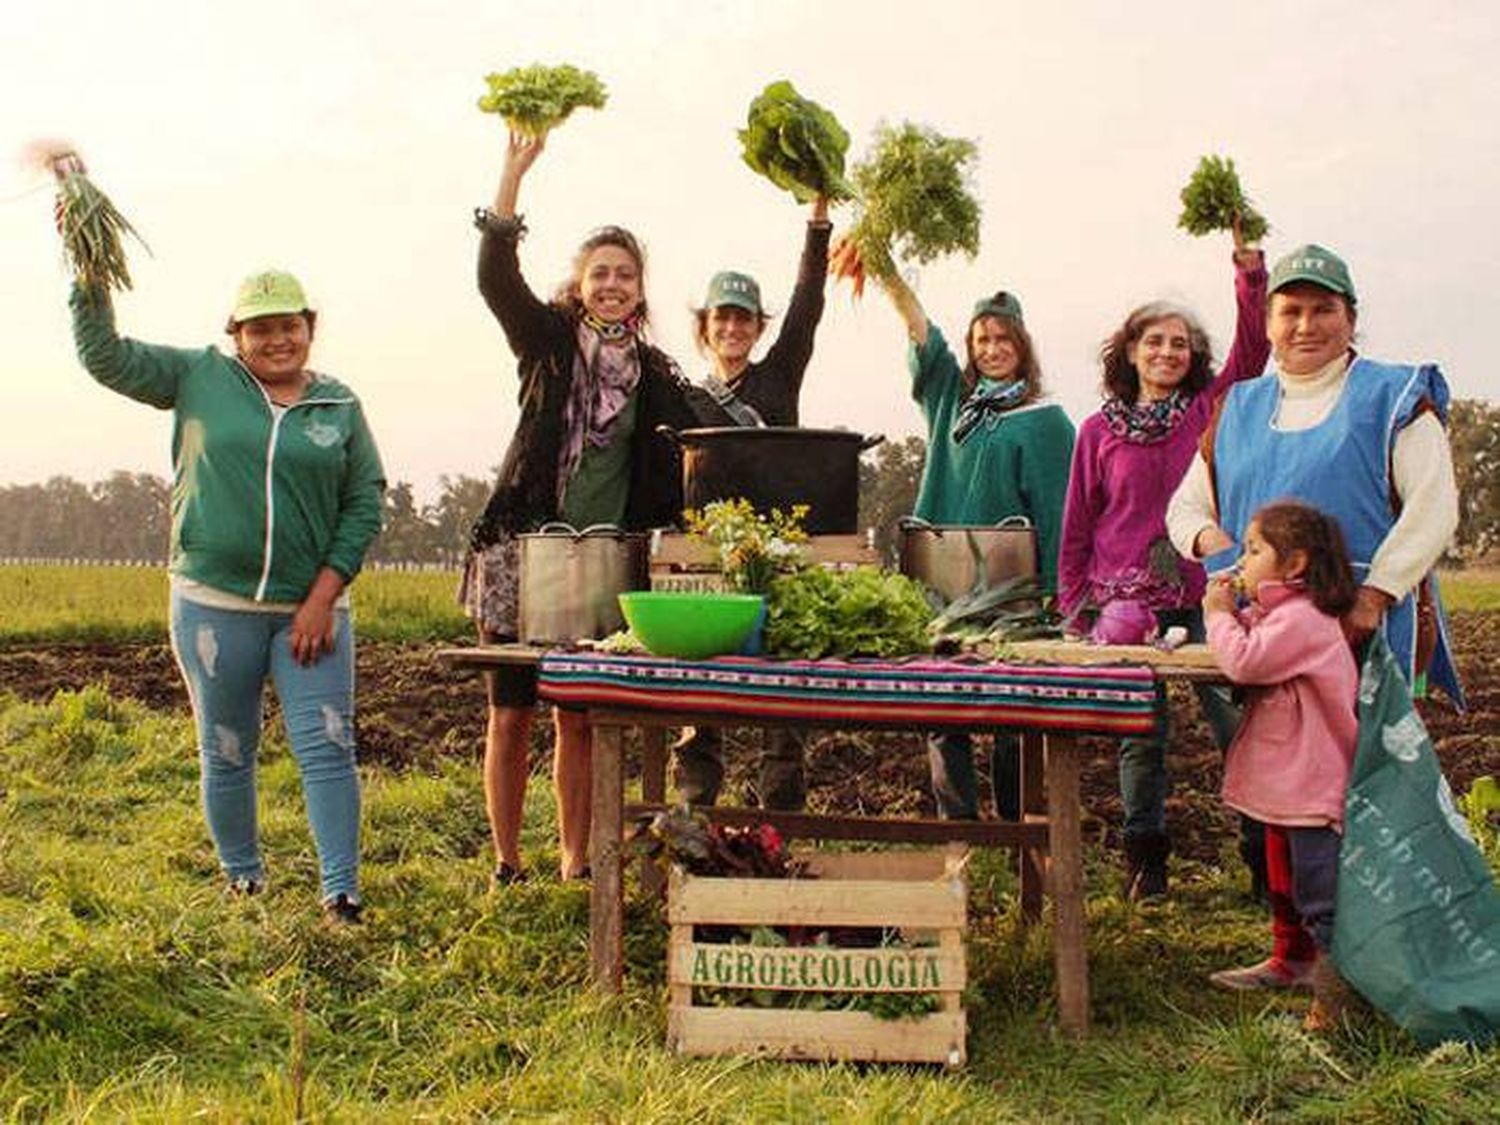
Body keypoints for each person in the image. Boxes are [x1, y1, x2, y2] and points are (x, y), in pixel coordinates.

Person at [54, 155, 384, 923]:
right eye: (260, 327)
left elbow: (363, 504)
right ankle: (243, 876)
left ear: (311, 327)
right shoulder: (198, 376)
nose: (277, 339)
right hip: (212, 606)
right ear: (235, 334)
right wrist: (87, 268)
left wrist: (320, 598)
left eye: (289, 324)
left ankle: (342, 890)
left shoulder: (338, 404)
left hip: (312, 615)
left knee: (327, 745)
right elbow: (104, 355)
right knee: (228, 747)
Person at [462, 130, 697, 883]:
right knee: (511, 710)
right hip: (518, 552)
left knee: (577, 715)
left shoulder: (655, 372)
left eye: (625, 275)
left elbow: (704, 432)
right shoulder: (547, 342)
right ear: (580, 281)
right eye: (600, 273)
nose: (612, 284)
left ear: (640, 287)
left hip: (597, 559)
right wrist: (511, 178)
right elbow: (497, 278)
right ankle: (506, 859)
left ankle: (573, 856)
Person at [1058, 241, 1269, 898]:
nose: (1168, 353)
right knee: (1141, 741)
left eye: (1180, 343)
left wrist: (1249, 275)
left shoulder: (1210, 410)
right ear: (1130, 351)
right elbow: (1077, 525)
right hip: (1126, 612)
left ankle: (1265, 864)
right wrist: (1074, 606)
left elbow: (1253, 354)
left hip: (1207, 598)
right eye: (1155, 341)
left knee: (1242, 726)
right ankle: (1145, 867)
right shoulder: (1097, 430)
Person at [1167, 243, 1464, 706]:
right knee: (1269, 766)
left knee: (1359, 773)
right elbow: (1186, 508)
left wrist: (1373, 597)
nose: (1305, 326)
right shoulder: (1237, 408)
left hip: (1366, 637)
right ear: (1268, 324)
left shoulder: (1393, 398)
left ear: (1351, 318)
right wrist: (1224, 551)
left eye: (1324, 309)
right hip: (1262, 640)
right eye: (1291, 312)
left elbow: (1434, 509)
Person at [876, 271, 1075, 821]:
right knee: (943, 710)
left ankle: (1016, 831)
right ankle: (957, 830)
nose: (992, 350)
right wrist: (887, 270)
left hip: (1013, 592)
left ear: (1023, 347)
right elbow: (922, 335)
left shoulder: (1045, 422)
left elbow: (1059, 513)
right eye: (982, 340)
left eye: (1003, 339)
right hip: (942, 582)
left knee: (1012, 716)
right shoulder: (951, 405)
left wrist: (1060, 597)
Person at [672, 195, 833, 812]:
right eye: (723, 319)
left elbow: (808, 302)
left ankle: (780, 824)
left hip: (779, 557)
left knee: (783, 702)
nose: (733, 329)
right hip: (706, 560)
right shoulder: (685, 396)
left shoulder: (779, 375)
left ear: (759, 328)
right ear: (705, 326)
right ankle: (694, 823)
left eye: (744, 320)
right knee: (698, 703)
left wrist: (817, 222)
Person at [1202, 501, 1361, 1029]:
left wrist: (1217, 615)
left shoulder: (1306, 618)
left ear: (1293, 566)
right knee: (1283, 877)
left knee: (1319, 891)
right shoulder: (1285, 613)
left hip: (1311, 786)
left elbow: (1247, 660)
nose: (1242, 562)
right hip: (1288, 785)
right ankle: (1292, 962)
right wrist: (1240, 611)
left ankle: (1338, 998)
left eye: (1253, 551)